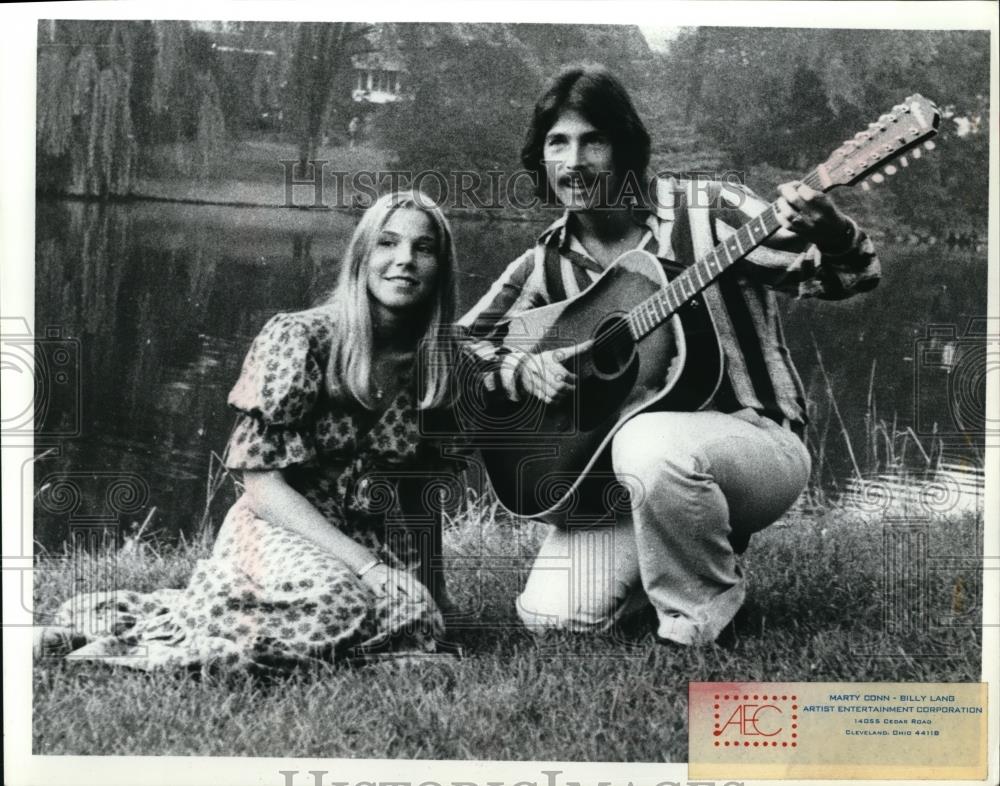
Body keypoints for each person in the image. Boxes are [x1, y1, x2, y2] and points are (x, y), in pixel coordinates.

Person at [459, 65, 881, 646]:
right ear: (542, 157)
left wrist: (833, 233)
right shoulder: (544, 262)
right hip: (627, 481)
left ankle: (701, 614)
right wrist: (517, 366)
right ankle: (672, 551)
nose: (575, 162)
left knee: (651, 441)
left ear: (625, 146)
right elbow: (452, 345)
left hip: (755, 446)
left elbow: (847, 279)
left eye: (593, 140)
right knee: (552, 617)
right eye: (558, 142)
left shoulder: (710, 212)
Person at [40, 191, 461, 669]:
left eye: (423, 248)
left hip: (369, 535)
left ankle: (217, 635)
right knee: (336, 597)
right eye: (388, 243)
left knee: (419, 617)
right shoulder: (300, 338)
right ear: (362, 256)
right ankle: (138, 647)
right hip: (276, 526)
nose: (404, 260)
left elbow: (421, 493)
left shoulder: (441, 364)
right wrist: (367, 569)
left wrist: (435, 592)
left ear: (440, 266)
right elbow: (262, 486)